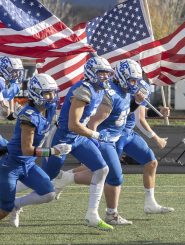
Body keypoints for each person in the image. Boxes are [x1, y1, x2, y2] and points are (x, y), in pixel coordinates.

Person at [54, 59, 174, 226]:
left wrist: (144, 105)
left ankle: (146, 203)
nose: (135, 84)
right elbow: (93, 123)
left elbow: (127, 112)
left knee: (149, 161)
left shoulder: (126, 91)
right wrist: (94, 143)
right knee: (112, 175)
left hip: (122, 133)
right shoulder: (111, 94)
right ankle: (109, 213)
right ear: (123, 77)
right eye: (132, 80)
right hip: (107, 138)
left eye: (137, 80)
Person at [41, 56, 115, 231]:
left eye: (106, 73)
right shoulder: (83, 90)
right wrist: (96, 135)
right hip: (62, 137)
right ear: (91, 73)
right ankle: (14, 203)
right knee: (44, 181)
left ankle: (92, 215)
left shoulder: (99, 90)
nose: (105, 76)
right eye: (101, 72)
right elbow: (73, 125)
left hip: (78, 138)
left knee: (102, 169)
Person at [0, 74, 72, 227]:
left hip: (29, 164)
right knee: (3, 210)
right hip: (11, 165)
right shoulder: (29, 116)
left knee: (49, 192)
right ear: (35, 93)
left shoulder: (49, 108)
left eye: (53, 92)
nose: (51, 97)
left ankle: (16, 205)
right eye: (47, 93)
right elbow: (27, 150)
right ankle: (10, 207)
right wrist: (53, 151)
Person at [0, 56, 24, 150]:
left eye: (18, 71)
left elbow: (7, 115)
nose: (16, 74)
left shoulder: (14, 86)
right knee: (6, 148)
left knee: (5, 148)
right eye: (14, 71)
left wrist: (14, 114)